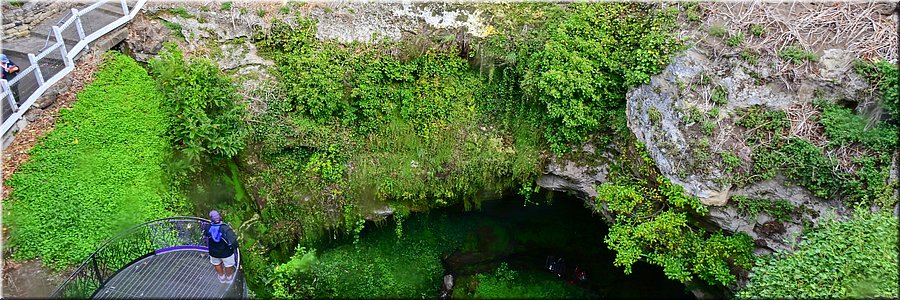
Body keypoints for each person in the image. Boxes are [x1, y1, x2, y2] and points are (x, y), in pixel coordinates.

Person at [205, 210, 239, 284]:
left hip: (213, 251)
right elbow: (233, 241)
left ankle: (221, 277)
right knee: (228, 265)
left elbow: (206, 236)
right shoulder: (225, 229)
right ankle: (229, 277)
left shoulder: (208, 227)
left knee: (217, 264)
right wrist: (235, 247)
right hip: (226, 252)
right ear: (219, 217)